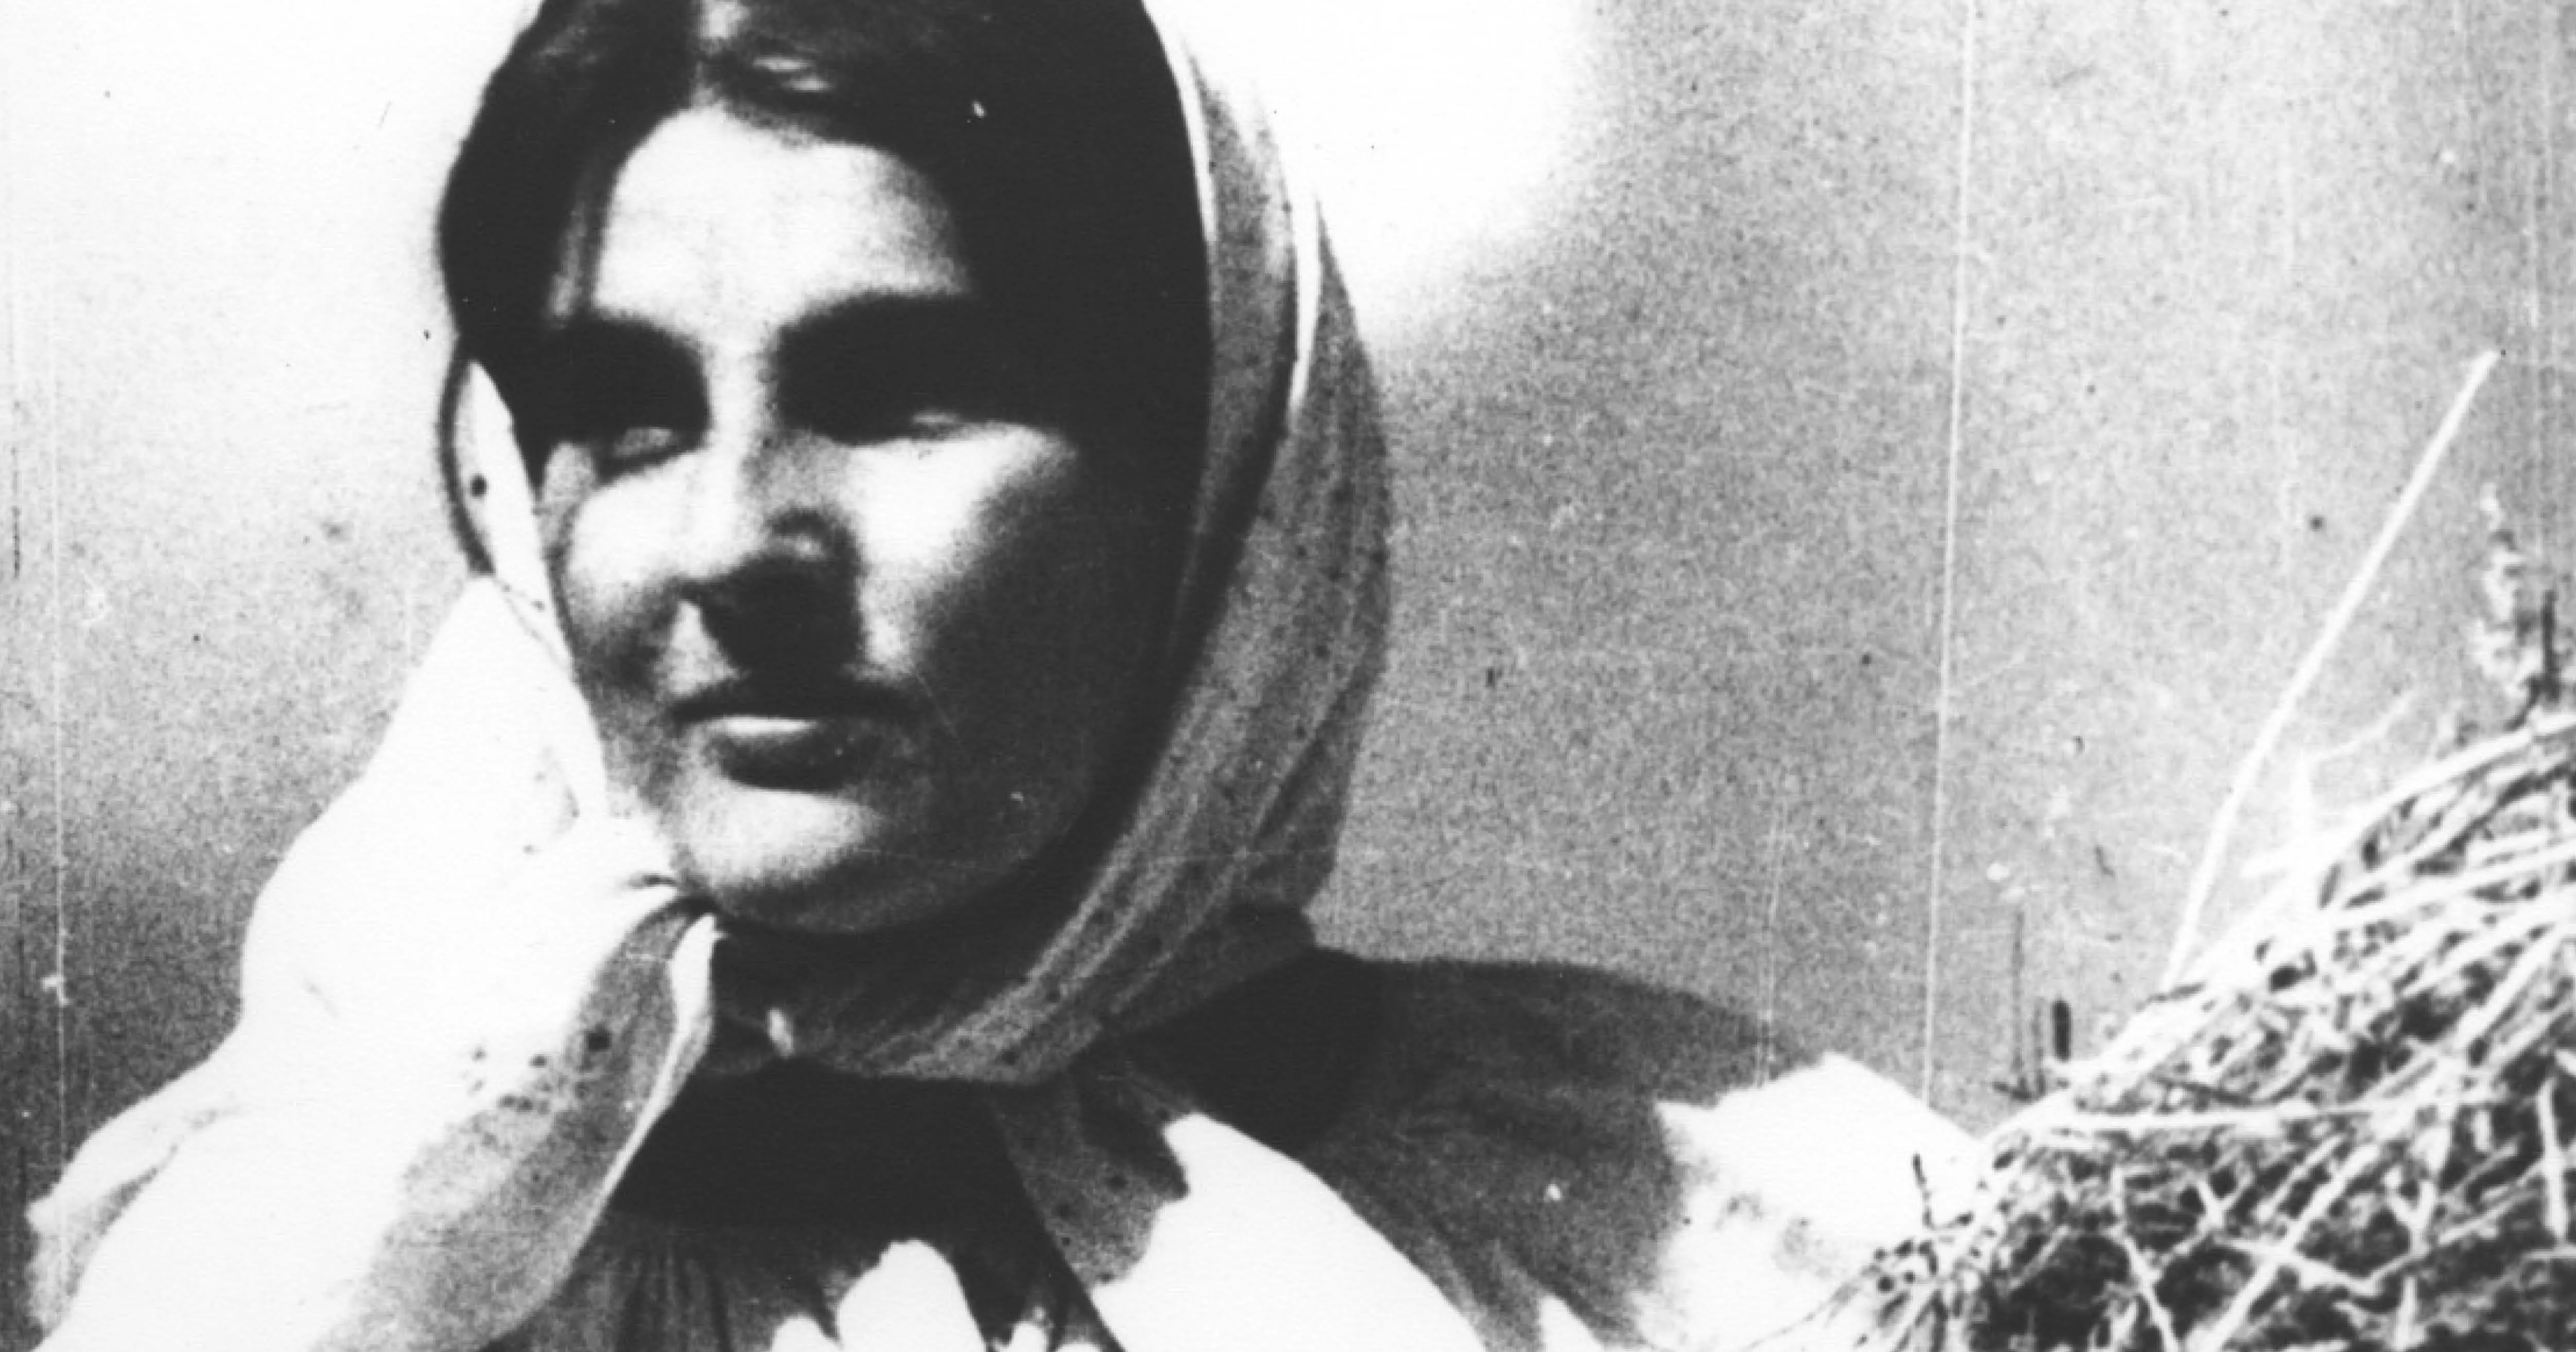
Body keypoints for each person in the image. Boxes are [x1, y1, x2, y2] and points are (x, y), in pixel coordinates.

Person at [26, 0, 1973, 1347]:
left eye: (897, 392)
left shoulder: (1716, 1227)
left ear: (1223, 489)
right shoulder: (319, 1252)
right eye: (624, 414)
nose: (732, 542)